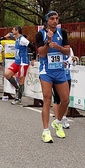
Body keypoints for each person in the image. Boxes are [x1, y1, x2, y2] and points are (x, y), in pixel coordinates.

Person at [35, 11, 70, 143]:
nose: (55, 21)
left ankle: (58, 121)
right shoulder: (40, 34)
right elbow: (42, 54)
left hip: (60, 70)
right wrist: (48, 42)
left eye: (56, 18)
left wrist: (59, 47)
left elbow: (68, 50)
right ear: (47, 21)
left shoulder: (62, 33)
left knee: (65, 100)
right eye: (52, 19)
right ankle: (45, 131)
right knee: (47, 98)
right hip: (46, 71)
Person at [4, 26, 30, 105]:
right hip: (17, 61)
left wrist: (33, 58)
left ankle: (18, 98)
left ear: (17, 30)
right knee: (7, 74)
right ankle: (18, 89)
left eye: (13, 29)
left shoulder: (22, 39)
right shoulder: (16, 38)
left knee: (21, 79)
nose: (12, 31)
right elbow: (7, 37)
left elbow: (31, 45)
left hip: (23, 62)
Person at [52, 47, 75, 129]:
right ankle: (57, 119)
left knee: (65, 99)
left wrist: (72, 60)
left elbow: (73, 61)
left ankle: (64, 118)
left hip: (67, 76)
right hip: (57, 77)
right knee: (57, 99)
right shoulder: (55, 48)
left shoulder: (69, 49)